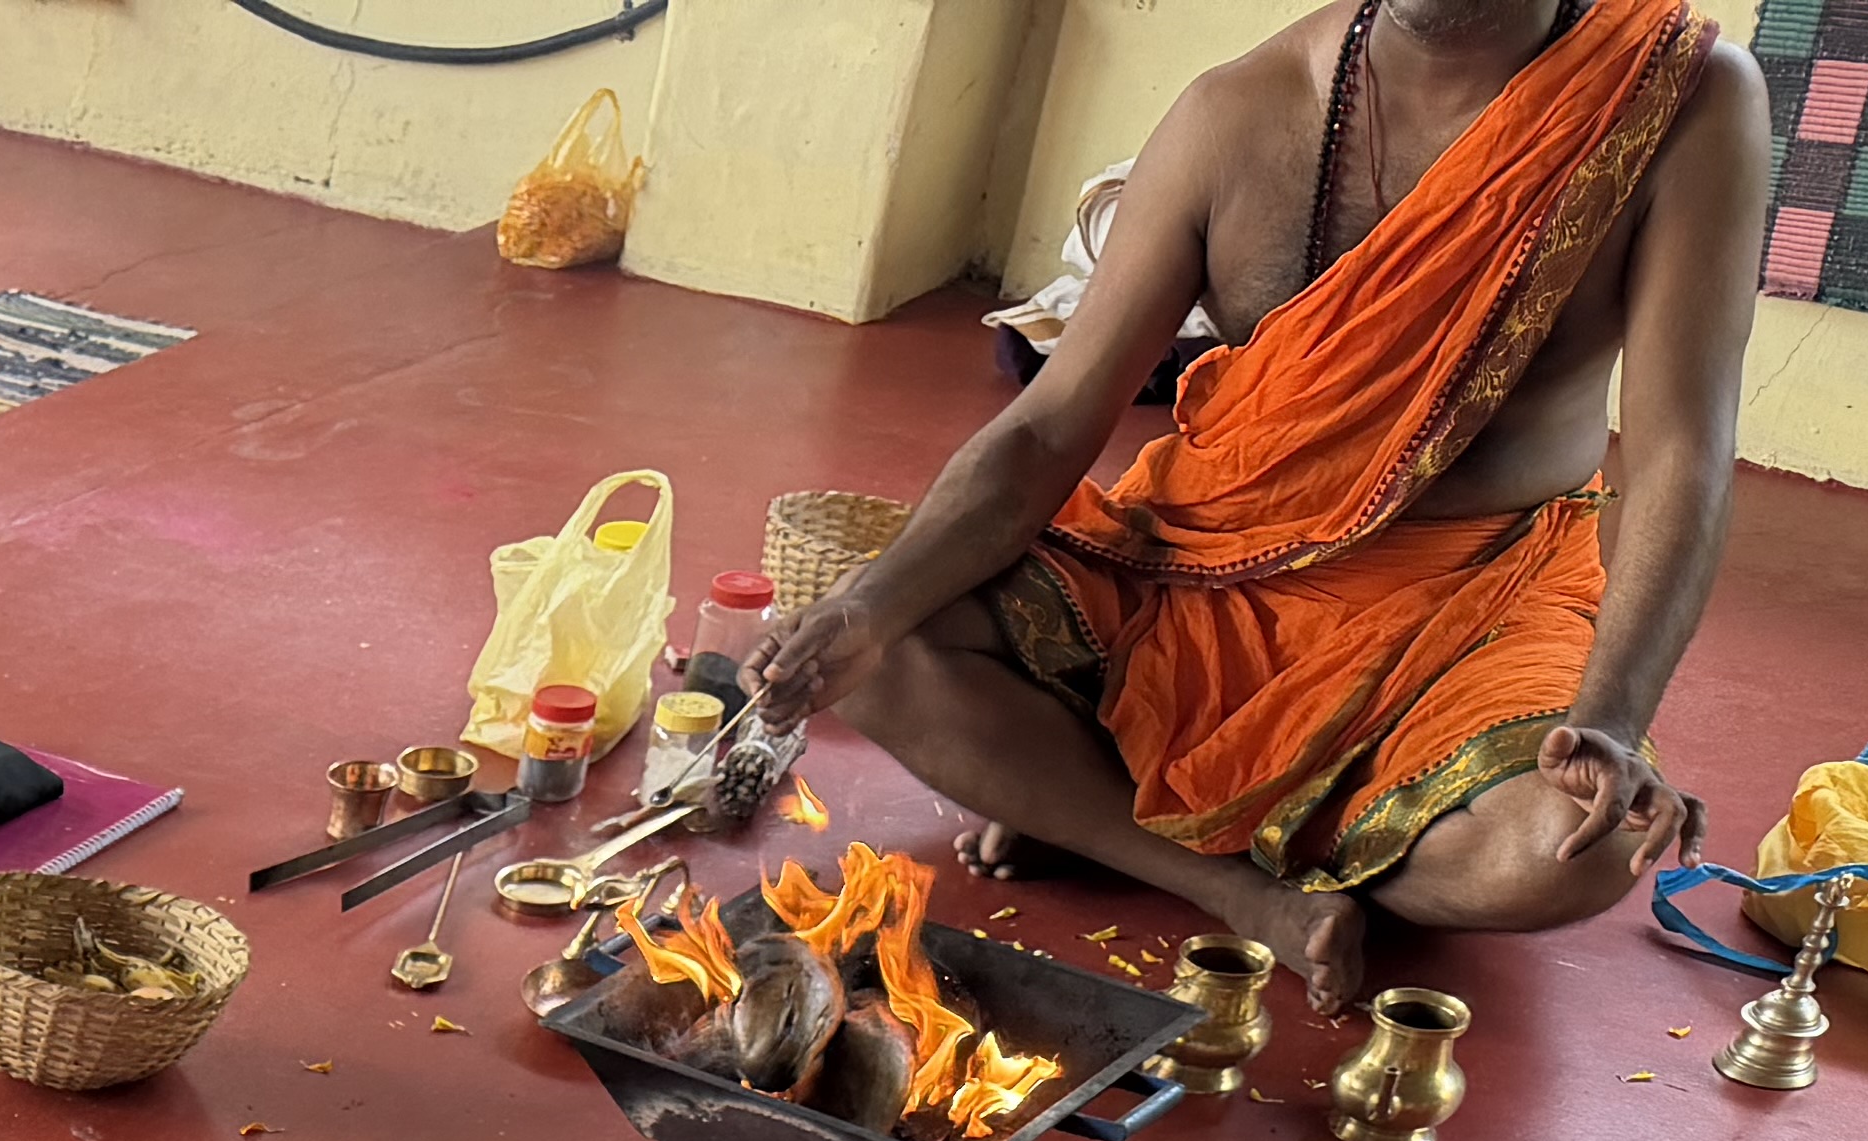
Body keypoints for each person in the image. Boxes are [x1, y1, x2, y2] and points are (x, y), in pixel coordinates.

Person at [751, 0, 1772, 1009]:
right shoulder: (1234, 115)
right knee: (886, 647)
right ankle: (1227, 880)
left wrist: (1610, 721)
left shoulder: (1676, 97)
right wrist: (864, 609)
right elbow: (1046, 428)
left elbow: (1681, 450)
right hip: (1205, 568)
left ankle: (1092, 802)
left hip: (1477, 593)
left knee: (1570, 850)